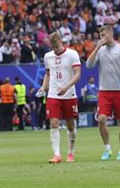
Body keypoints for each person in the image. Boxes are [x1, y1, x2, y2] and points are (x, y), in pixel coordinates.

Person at [86, 25, 120, 161]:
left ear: (111, 34)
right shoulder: (100, 51)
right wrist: (96, 48)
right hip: (104, 91)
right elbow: (89, 65)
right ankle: (107, 148)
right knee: (101, 119)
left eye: (104, 35)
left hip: (119, 91)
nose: (102, 38)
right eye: (100, 36)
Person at [37, 32, 81, 163]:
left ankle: (71, 152)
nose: (56, 48)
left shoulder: (72, 54)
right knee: (54, 122)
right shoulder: (47, 57)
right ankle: (57, 155)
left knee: (70, 125)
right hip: (53, 95)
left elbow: (78, 74)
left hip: (69, 94)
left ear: (61, 41)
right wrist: (43, 87)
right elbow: (48, 74)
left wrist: (67, 87)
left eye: (57, 45)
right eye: (53, 46)